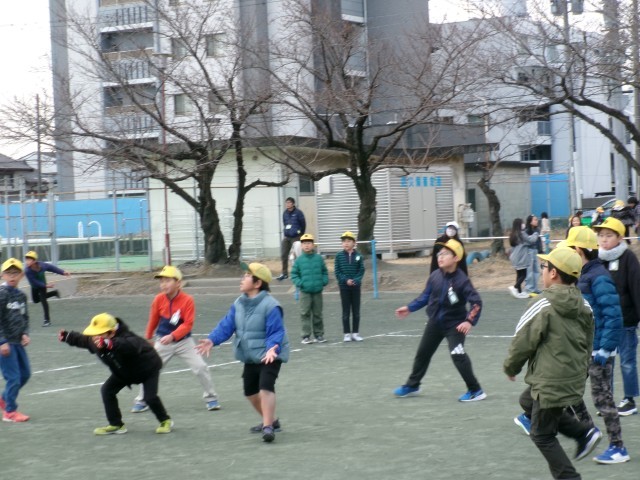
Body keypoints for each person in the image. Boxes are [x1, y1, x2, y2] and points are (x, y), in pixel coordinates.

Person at [504, 247, 602, 479]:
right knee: (527, 400)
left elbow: (523, 340)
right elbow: (588, 342)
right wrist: (581, 372)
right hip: (571, 377)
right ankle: (583, 433)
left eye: (544, 267)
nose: (542, 271)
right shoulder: (584, 305)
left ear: (554, 273)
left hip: (550, 380)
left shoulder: (543, 304)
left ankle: (570, 474)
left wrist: (511, 366)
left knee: (542, 435)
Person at [196, 262, 289, 443]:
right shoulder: (239, 303)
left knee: (265, 388)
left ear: (257, 283)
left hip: (270, 354)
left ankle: (268, 427)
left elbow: (276, 331)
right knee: (250, 392)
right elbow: (227, 325)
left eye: (247, 275)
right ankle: (271, 421)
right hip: (250, 355)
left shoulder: (271, 306)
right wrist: (212, 340)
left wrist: (272, 348)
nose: (242, 278)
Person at [563, 226, 629, 464]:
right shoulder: (584, 275)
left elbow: (613, 315)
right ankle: (588, 431)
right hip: (584, 348)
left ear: (579, 250)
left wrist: (605, 348)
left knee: (603, 399)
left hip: (599, 349)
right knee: (569, 391)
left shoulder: (598, 277)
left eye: (570, 249)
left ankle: (618, 447)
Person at [393, 239, 486, 402]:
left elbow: (476, 302)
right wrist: (409, 308)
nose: (440, 257)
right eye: (439, 254)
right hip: (435, 323)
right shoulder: (435, 275)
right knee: (423, 354)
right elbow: (425, 297)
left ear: (456, 258)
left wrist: (468, 321)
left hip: (455, 326)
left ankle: (475, 390)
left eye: (445, 254)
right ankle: (413, 385)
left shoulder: (462, 280)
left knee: (457, 354)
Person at [59, 313, 173, 435]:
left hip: (147, 369)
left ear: (112, 333)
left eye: (99, 334)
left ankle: (165, 420)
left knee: (150, 398)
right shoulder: (95, 340)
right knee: (107, 391)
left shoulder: (129, 338)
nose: (95, 337)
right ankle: (116, 425)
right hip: (124, 371)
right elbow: (83, 340)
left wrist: (109, 344)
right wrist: (67, 336)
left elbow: (127, 345)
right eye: (94, 334)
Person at [130, 265, 220, 413]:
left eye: (167, 281)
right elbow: (153, 320)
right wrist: (148, 338)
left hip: (184, 342)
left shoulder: (188, 300)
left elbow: (188, 324)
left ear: (178, 283)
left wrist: (173, 336)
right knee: (149, 368)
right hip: (162, 342)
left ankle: (211, 398)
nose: (163, 284)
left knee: (200, 367)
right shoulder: (158, 299)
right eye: (161, 281)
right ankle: (142, 399)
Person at [593, 217, 640, 416]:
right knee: (605, 362)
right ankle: (607, 400)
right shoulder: (597, 259)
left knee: (627, 361)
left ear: (620, 238)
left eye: (609, 235)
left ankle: (629, 400)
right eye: (601, 235)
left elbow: (637, 288)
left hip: (625, 320)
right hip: (604, 322)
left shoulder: (628, 258)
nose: (604, 239)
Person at [0, 258, 31, 422]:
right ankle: (10, 412)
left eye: (15, 273)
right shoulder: (2, 294)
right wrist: (2, 341)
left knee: (25, 374)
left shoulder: (21, 296)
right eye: (8, 273)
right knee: (13, 378)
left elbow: (24, 317)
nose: (12, 276)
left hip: (17, 342)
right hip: (5, 343)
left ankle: (4, 399)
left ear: (21, 275)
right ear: (2, 275)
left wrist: (24, 333)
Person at [290, 234, 329, 344]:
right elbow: (294, 274)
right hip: (305, 292)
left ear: (313, 245)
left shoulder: (319, 259)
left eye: (309, 243)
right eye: (304, 243)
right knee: (305, 313)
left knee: (318, 313)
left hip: (317, 291)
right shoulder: (299, 260)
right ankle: (306, 336)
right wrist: (300, 283)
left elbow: (324, 271)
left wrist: (323, 281)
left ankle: (319, 334)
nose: (306, 245)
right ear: (301, 246)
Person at [24, 250, 70, 327]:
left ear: (34, 261)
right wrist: (45, 286)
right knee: (36, 300)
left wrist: (63, 272)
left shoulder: (42, 265)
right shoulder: (27, 271)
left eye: (29, 259)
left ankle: (47, 320)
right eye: (26, 259)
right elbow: (34, 282)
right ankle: (54, 293)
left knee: (43, 300)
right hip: (35, 286)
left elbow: (52, 268)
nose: (27, 261)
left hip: (43, 285)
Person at [334, 231, 366, 342]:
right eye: (344, 241)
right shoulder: (338, 256)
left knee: (356, 311)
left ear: (354, 243)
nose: (346, 243)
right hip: (344, 287)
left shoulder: (358, 256)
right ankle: (347, 334)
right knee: (346, 311)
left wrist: (355, 280)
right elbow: (337, 271)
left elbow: (361, 270)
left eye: (349, 241)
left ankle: (355, 333)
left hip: (356, 287)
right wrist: (346, 280)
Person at [276, 197, 306, 281]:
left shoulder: (298, 213)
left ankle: (299, 272)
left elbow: (303, 224)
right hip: (287, 236)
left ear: (293, 204)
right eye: (286, 203)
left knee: (296, 255)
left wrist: (301, 234)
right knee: (283, 254)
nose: (287, 204)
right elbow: (285, 223)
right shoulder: (285, 213)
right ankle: (284, 273)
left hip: (296, 236)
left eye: (289, 202)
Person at [508, 218, 532, 299]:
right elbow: (530, 240)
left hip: (514, 257)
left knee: (519, 274)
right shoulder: (522, 234)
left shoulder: (513, 234)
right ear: (519, 225)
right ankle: (515, 287)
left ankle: (519, 292)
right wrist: (536, 234)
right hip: (521, 258)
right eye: (522, 223)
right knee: (524, 275)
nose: (523, 224)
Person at [524, 214, 542, 295]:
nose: (537, 221)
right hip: (529, 251)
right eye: (535, 220)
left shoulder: (537, 230)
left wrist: (540, 250)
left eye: (537, 219)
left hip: (535, 250)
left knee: (536, 270)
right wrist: (535, 234)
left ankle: (535, 288)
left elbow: (538, 241)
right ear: (530, 221)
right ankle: (529, 289)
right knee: (529, 271)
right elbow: (530, 241)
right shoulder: (526, 231)